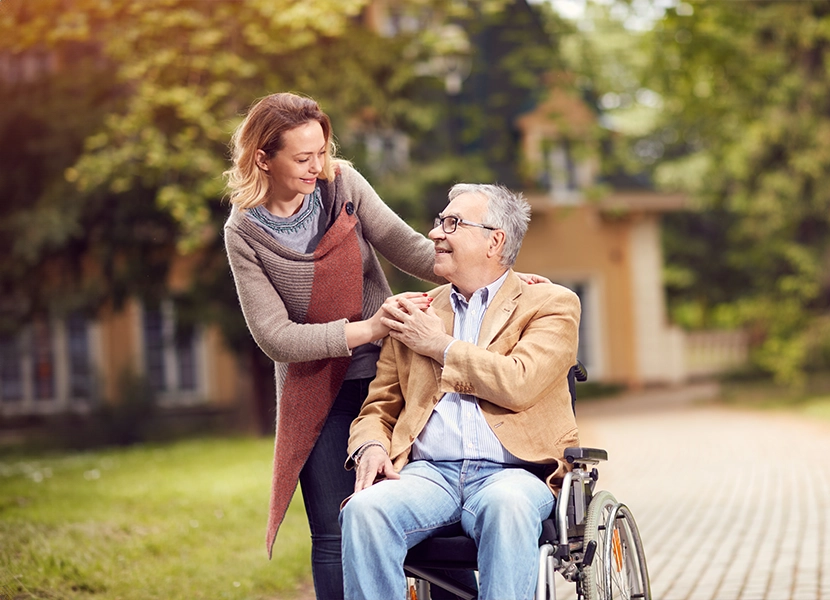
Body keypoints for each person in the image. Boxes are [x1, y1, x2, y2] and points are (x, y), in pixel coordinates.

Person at [222, 93, 547, 599]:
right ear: (264, 158)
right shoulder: (244, 232)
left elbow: (411, 247)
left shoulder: (342, 185)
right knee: (334, 530)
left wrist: (496, 274)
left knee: (437, 503)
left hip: (390, 370)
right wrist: (370, 329)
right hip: (318, 386)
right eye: (303, 158)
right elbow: (275, 337)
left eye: (322, 152)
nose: (318, 166)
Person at [340, 183, 582, 600]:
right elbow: (378, 409)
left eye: (452, 223)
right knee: (363, 510)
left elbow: (519, 382)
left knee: (507, 508)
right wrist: (371, 448)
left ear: (495, 240)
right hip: (428, 474)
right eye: (439, 222)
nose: (435, 233)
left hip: (514, 473)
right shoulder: (415, 310)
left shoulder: (551, 304)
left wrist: (440, 346)